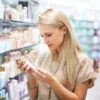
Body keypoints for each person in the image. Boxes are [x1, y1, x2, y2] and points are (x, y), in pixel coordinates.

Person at [16, 8, 97, 100]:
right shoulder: (40, 54)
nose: (45, 41)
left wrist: (52, 82)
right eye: (42, 36)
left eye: (49, 35)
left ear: (64, 30)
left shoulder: (81, 62)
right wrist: (30, 74)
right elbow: (33, 96)